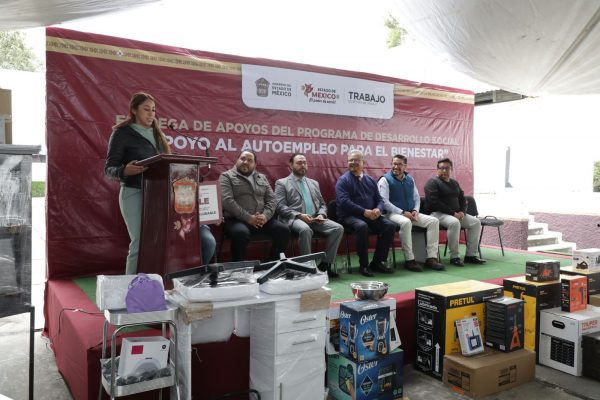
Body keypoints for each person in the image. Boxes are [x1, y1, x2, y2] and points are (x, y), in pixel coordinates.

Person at [104, 92, 216, 273]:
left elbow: (166, 164)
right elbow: (109, 168)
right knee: (140, 242)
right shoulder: (122, 133)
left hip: (159, 195)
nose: (151, 114)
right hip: (134, 192)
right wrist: (123, 171)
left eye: (153, 110)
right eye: (146, 109)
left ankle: (156, 283)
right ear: (134, 110)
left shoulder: (158, 134)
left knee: (160, 242)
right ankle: (131, 285)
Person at [275, 153, 344, 278]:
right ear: (291, 165)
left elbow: (322, 204)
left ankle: (325, 265)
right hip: (294, 218)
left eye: (304, 163)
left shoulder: (313, 183)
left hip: (314, 218)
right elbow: (280, 207)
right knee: (305, 229)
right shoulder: (282, 183)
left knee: (338, 228)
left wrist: (321, 214)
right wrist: (299, 215)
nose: (302, 165)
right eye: (299, 163)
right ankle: (308, 267)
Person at [219, 149, 290, 261]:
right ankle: (239, 268)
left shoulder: (262, 177)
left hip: (261, 220)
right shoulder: (226, 176)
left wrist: (265, 216)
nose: (245, 162)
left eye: (249, 160)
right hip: (236, 220)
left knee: (283, 230)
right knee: (240, 233)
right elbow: (227, 201)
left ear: (255, 164)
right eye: (242, 159)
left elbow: (272, 200)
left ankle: (272, 264)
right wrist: (249, 218)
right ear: (237, 160)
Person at [378, 155, 445, 272]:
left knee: (434, 221)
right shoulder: (385, 180)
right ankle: (409, 260)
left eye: (399, 164)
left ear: (405, 166)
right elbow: (384, 202)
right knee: (406, 222)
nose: (395, 166)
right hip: (392, 214)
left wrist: (415, 211)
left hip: (410, 213)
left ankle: (431, 258)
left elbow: (416, 198)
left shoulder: (410, 179)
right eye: (394, 164)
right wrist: (402, 212)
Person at [335, 150, 396, 277]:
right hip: (349, 216)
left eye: (356, 160)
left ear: (363, 162)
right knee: (362, 226)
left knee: (389, 226)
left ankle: (377, 262)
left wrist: (378, 209)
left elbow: (379, 200)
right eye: (350, 160)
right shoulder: (343, 180)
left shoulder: (370, 180)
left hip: (370, 215)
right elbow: (344, 202)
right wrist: (364, 211)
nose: (353, 162)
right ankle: (364, 265)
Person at [424, 158, 485, 266]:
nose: (444, 170)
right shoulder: (432, 183)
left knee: (476, 222)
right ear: (437, 169)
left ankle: (471, 255)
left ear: (451, 169)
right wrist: (453, 213)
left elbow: (463, 200)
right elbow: (435, 202)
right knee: (454, 223)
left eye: (447, 168)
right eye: (442, 168)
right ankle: (454, 257)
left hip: (456, 214)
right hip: (437, 214)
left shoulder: (454, 183)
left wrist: (462, 212)